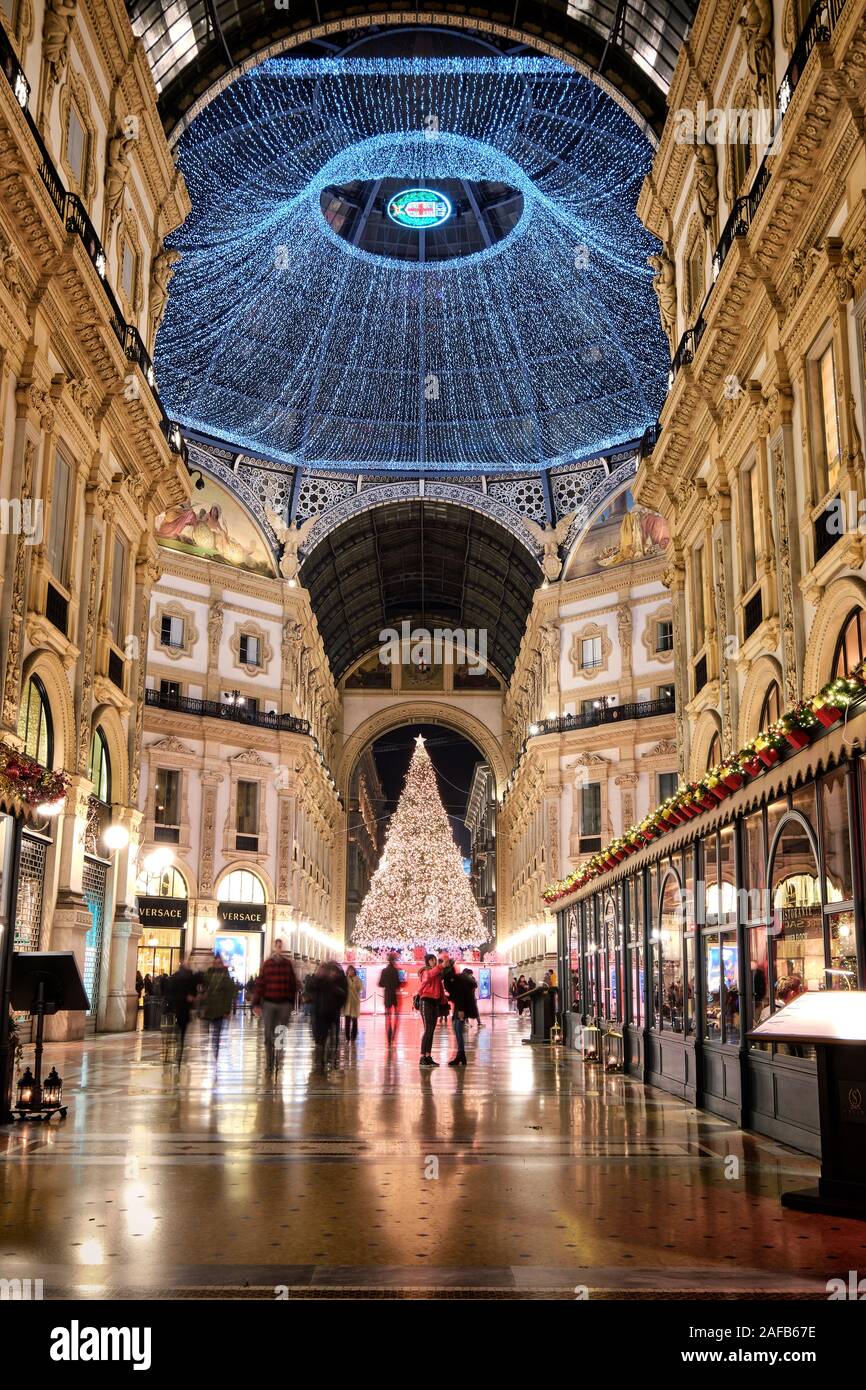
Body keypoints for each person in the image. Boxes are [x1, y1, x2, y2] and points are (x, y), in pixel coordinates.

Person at [252, 938, 298, 1073]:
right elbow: (260, 983)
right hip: (269, 1003)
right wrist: (255, 1003)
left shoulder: (287, 964)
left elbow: (292, 983)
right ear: (273, 948)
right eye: (277, 946)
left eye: (280, 946)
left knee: (280, 1032)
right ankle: (269, 1061)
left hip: (284, 1004)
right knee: (268, 1033)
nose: (279, 948)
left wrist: (291, 1002)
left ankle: (278, 1057)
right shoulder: (267, 964)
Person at [309, 960, 348, 1071]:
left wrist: (340, 1006)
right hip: (320, 1011)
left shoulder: (340, 979)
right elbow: (311, 987)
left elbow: (344, 994)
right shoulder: (319, 979)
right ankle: (320, 1058)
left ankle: (330, 1056)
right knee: (320, 1036)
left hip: (332, 1011)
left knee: (331, 1035)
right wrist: (317, 977)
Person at [166, 955, 200, 1063]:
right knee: (179, 1027)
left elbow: (197, 984)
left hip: (185, 1008)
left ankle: (180, 1046)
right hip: (178, 1006)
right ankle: (179, 1045)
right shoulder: (176, 977)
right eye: (186, 961)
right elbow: (171, 992)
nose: (187, 963)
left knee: (182, 1028)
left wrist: (192, 997)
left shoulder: (191, 976)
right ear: (181, 962)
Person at [201, 954, 235, 1060]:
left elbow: (229, 994)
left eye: (219, 963)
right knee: (206, 1034)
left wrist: (227, 1010)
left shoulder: (225, 976)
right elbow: (202, 987)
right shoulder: (208, 974)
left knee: (216, 1034)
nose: (217, 965)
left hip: (220, 1010)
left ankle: (215, 1054)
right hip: (208, 1008)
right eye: (215, 963)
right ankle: (207, 1053)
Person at [442, 958, 471, 1066]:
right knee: (457, 1030)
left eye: (444, 963)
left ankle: (461, 1056)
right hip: (458, 1006)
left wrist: (461, 1010)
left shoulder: (452, 977)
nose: (442, 964)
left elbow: (460, 994)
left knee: (458, 1030)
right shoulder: (449, 976)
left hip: (460, 1007)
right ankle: (461, 1056)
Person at [417, 953, 445, 1067]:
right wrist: (439, 967)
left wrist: (443, 1002)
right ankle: (422, 1057)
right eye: (433, 960)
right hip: (426, 1002)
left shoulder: (437, 973)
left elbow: (440, 989)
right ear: (428, 961)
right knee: (428, 1030)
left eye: (435, 960)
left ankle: (428, 1056)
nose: (435, 962)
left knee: (432, 1031)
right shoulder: (425, 972)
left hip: (434, 1003)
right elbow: (427, 978)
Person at [379, 951, 402, 1044]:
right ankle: (393, 1035)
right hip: (394, 995)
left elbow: (380, 983)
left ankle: (389, 1034)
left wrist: (386, 984)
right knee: (396, 1017)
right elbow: (398, 984)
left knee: (387, 1017)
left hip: (387, 995)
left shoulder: (384, 971)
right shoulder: (396, 971)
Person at [344, 965, 362, 1042]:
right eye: (349, 970)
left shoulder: (358, 979)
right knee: (347, 1022)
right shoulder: (345, 980)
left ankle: (353, 1037)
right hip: (347, 1002)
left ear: (354, 971)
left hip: (355, 1002)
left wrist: (354, 983)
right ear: (347, 971)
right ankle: (347, 1037)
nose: (351, 972)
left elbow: (360, 988)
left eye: (352, 970)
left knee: (354, 1021)